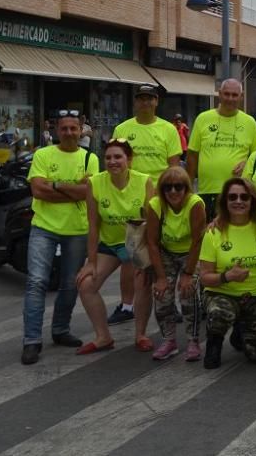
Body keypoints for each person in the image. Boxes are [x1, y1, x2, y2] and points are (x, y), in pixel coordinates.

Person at [21, 109, 100, 365]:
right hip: (43, 227)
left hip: (77, 231)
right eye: (64, 128)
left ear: (81, 131)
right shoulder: (43, 154)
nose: (68, 133)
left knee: (69, 284)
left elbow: (86, 193)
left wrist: (54, 185)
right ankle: (31, 340)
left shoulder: (90, 159)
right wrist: (71, 189)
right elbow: (38, 191)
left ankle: (60, 330)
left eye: (73, 129)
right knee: (36, 282)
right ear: (57, 131)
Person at [107, 84, 182, 327]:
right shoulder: (122, 128)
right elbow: (115, 160)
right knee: (132, 253)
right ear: (135, 102)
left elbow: (173, 165)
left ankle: (169, 303)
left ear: (156, 102)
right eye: (141, 98)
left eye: (150, 99)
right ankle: (127, 305)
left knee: (165, 252)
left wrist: (173, 195)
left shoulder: (168, 129)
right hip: (131, 199)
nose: (145, 103)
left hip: (161, 198)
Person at [75, 139, 155, 354]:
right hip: (110, 244)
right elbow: (93, 224)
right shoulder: (95, 182)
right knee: (86, 285)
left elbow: (152, 221)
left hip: (137, 241)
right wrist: (90, 262)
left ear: (129, 159)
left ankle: (140, 334)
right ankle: (103, 337)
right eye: (108, 157)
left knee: (143, 286)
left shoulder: (145, 181)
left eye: (118, 157)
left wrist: (149, 257)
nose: (112, 161)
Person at [198, 177, 256, 368]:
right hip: (222, 293)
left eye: (244, 197)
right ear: (225, 201)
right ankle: (214, 343)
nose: (238, 201)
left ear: (252, 200)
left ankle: (240, 328)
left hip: (255, 296)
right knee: (219, 312)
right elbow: (205, 278)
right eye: (232, 197)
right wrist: (227, 276)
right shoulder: (213, 232)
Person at [146, 167, 207, 361]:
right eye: (167, 187)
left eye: (178, 187)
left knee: (189, 293)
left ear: (186, 188)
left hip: (191, 251)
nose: (173, 191)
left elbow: (198, 240)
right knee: (162, 294)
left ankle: (193, 340)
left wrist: (188, 274)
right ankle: (169, 340)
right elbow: (152, 243)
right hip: (166, 252)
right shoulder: (155, 205)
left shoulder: (195, 204)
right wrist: (161, 278)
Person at [187, 79, 256, 219]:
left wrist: (247, 163)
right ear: (219, 94)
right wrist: (188, 188)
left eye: (234, 95)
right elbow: (192, 155)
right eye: (227, 94)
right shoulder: (203, 119)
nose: (230, 99)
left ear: (241, 96)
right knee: (209, 234)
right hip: (207, 191)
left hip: (239, 193)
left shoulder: (250, 122)